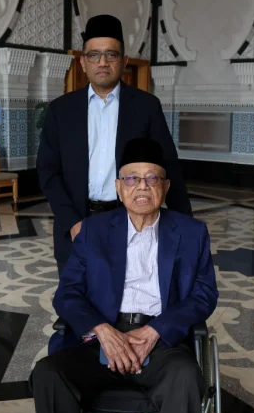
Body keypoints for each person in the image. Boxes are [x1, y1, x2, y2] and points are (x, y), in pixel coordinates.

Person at [30, 138, 218, 413]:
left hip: (161, 343)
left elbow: (204, 294)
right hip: (99, 342)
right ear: (119, 188)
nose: (142, 186)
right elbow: (67, 293)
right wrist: (103, 331)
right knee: (48, 373)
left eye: (152, 178)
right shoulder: (93, 230)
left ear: (165, 187)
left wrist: (155, 331)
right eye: (132, 179)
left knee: (184, 376)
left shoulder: (191, 232)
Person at [36, 14, 191, 275]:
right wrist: (72, 222)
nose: (102, 62)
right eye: (94, 55)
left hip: (132, 223)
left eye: (111, 54)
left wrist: (186, 227)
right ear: (83, 62)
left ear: (124, 61)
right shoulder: (61, 110)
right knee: (79, 296)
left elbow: (169, 167)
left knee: (127, 294)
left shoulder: (146, 107)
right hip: (77, 224)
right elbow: (48, 171)